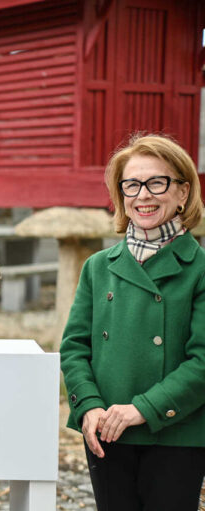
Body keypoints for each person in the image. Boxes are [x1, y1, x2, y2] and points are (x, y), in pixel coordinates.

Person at [60, 134, 205, 510]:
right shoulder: (98, 267)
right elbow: (74, 348)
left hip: (176, 432)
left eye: (157, 183)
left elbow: (203, 361)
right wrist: (88, 405)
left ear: (183, 192)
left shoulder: (200, 269)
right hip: (107, 430)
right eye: (132, 185)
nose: (143, 195)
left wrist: (142, 409)